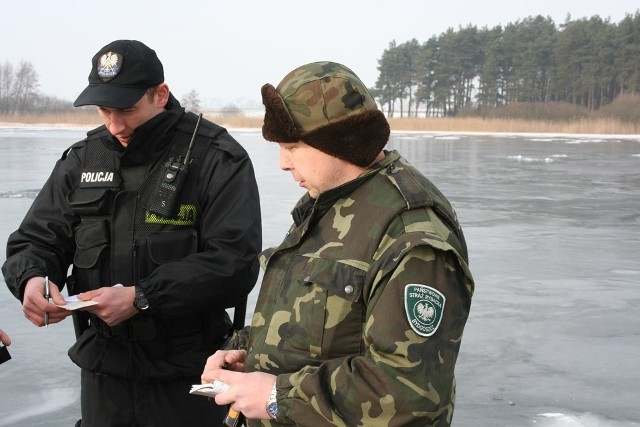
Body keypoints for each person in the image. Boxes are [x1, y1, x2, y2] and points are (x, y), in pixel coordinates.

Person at [2, 39, 262, 427]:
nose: (115, 124)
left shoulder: (215, 157)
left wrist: (142, 297)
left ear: (160, 94)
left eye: (126, 110)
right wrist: (32, 279)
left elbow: (235, 262)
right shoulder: (84, 159)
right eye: (105, 110)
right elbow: (36, 240)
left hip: (194, 370)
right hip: (105, 371)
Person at [201, 61, 474, 426]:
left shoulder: (411, 233)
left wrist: (274, 396)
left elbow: (408, 391)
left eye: (292, 147)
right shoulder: (330, 202)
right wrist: (250, 351)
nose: (283, 163)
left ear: (338, 140)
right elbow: (323, 324)